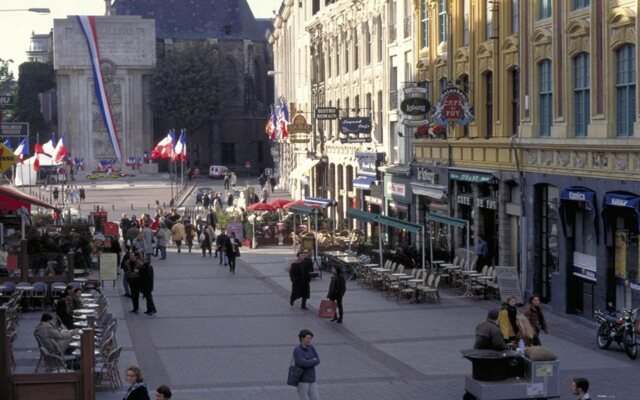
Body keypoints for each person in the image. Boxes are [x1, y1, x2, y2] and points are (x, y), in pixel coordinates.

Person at [292, 329, 320, 400]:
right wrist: (313, 360)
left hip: (311, 379)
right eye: (308, 338)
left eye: (310, 338)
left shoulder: (311, 348)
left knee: (316, 398)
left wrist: (308, 361)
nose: (309, 340)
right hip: (302, 380)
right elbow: (302, 363)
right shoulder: (297, 350)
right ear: (302, 338)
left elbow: (318, 360)